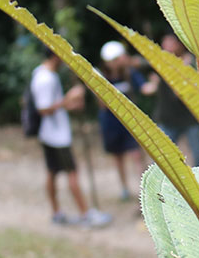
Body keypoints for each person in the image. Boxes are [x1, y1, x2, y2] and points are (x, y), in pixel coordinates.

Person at [30, 49, 110, 228]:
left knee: (52, 171)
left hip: (50, 134)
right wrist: (68, 99)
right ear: (55, 56)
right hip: (56, 137)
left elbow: (52, 106)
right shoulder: (46, 79)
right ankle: (85, 214)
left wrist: (69, 105)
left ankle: (57, 212)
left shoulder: (44, 74)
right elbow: (43, 109)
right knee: (72, 172)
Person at [98, 40, 147, 201]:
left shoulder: (130, 73)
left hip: (129, 122)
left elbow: (144, 88)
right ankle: (124, 188)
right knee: (118, 156)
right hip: (111, 123)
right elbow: (102, 104)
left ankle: (144, 189)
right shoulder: (101, 77)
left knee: (136, 155)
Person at [149, 34, 199, 167]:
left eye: (170, 43)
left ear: (180, 44)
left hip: (191, 119)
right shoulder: (162, 63)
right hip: (168, 118)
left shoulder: (194, 64)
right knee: (160, 157)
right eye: (165, 43)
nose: (166, 47)